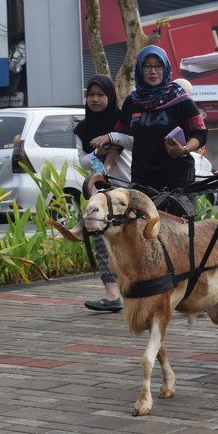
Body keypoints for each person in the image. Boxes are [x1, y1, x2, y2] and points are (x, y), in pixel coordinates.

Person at [94, 45, 207, 217]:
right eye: (147, 66)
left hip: (177, 179)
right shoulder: (132, 102)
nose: (153, 71)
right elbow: (120, 137)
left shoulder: (181, 100)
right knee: (142, 227)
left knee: (180, 228)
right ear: (139, 70)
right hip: (142, 179)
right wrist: (107, 165)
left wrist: (183, 150)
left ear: (165, 68)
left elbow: (200, 133)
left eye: (158, 66)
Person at [74, 75, 131, 313]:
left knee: (132, 240)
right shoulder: (82, 128)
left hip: (128, 187)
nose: (95, 99)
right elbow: (82, 160)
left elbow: (131, 142)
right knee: (100, 238)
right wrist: (99, 152)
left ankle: (139, 291)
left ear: (110, 96)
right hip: (101, 192)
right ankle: (112, 295)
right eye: (91, 95)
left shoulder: (122, 120)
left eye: (100, 95)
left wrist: (110, 140)